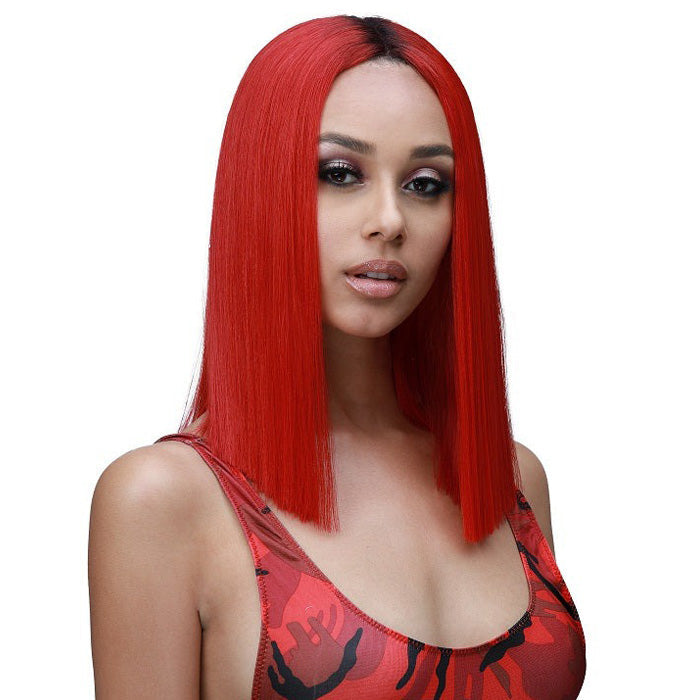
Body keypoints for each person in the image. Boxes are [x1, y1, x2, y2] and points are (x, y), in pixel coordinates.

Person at [88, 15, 586, 699]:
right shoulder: (164, 501)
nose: (390, 220)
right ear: (261, 188)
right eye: (341, 173)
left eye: (426, 183)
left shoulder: (510, 477)